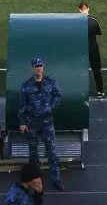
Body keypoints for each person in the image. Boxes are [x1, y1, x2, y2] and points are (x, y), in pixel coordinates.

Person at [18, 58, 65, 191]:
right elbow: (22, 106)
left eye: (40, 66)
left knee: (52, 153)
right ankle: (35, 182)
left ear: (43, 67)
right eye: (36, 66)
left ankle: (56, 180)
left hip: (47, 123)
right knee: (33, 155)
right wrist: (22, 123)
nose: (38, 68)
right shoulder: (26, 86)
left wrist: (51, 107)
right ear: (32, 68)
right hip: (32, 123)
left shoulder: (51, 83)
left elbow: (58, 96)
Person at [80, 1, 104, 98]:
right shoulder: (94, 20)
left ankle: (81, 92)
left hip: (82, 50)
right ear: (88, 8)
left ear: (80, 10)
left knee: (80, 71)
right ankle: (100, 91)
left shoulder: (77, 21)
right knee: (97, 70)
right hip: (93, 49)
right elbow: (100, 32)